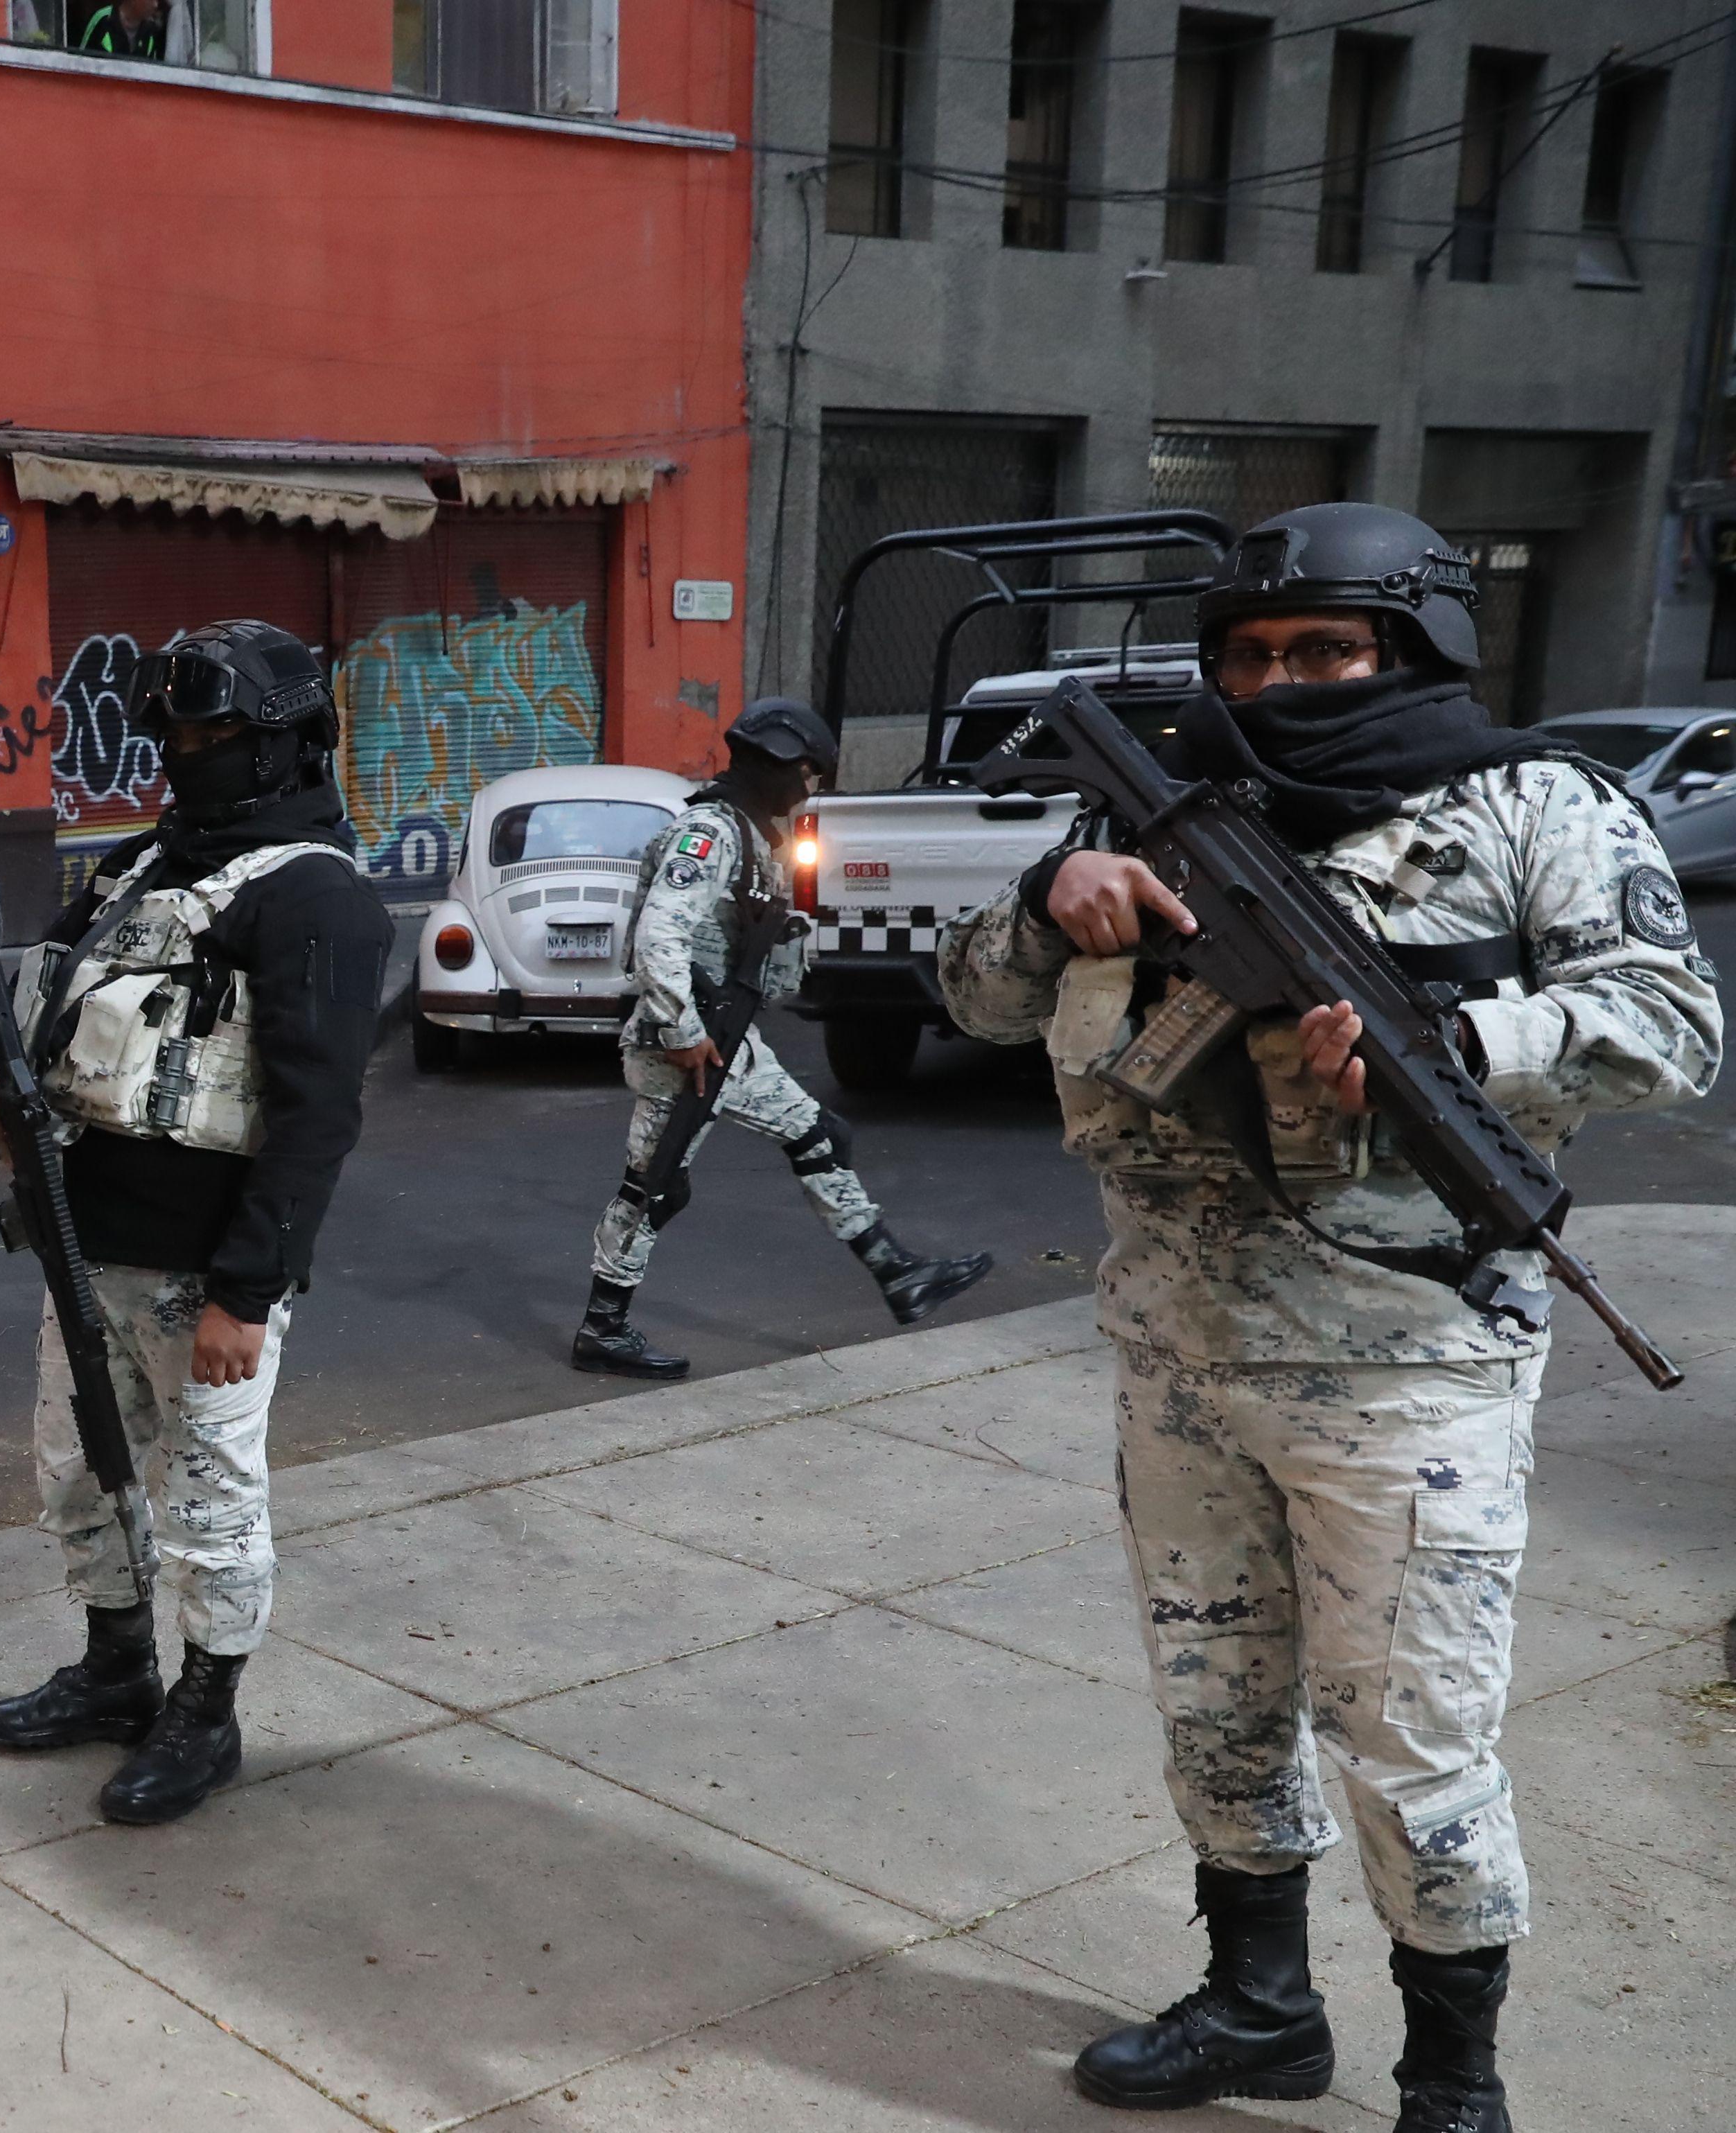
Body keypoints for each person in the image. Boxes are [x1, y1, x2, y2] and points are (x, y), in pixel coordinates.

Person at [938, 502, 1721, 2133]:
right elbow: (976, 995)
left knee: (1410, 1740)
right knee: (1213, 1700)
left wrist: (1455, 1033)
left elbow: (1671, 1027)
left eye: (1322, 650)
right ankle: (1256, 2003)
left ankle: (1450, 2074)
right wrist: (1045, 897)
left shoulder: (1531, 805)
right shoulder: (1143, 807)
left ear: (1409, 647)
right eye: (1247, 653)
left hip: (1408, 1367)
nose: (1278, 679)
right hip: (1177, 1354)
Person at [0, 619, 389, 1827]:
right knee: (77, 1475)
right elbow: (34, 991)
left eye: (209, 733)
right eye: (175, 732)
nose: (181, 751)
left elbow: (315, 1119)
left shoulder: (315, 898)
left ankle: (205, 1708)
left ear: (277, 748)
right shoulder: (138, 870)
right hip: (80, 1239)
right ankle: (113, 1669)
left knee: (208, 1502)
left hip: (202, 1271)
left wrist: (247, 1291)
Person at [574, 696, 990, 1378]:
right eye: (806, 775)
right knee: (660, 1183)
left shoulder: (748, 835)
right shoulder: (708, 834)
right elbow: (658, 935)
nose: (808, 791)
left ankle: (897, 1274)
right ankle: (603, 1328)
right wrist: (682, 1030)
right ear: (774, 766)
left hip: (722, 1036)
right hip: (688, 1044)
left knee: (777, 1148)